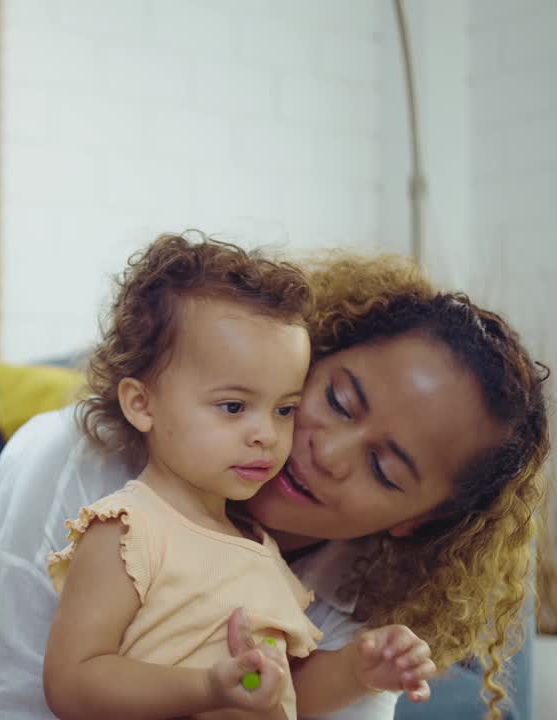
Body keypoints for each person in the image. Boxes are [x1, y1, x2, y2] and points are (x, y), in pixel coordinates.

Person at [0, 239, 550, 720]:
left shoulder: (359, 605)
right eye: (335, 400)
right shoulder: (95, 461)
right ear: (311, 361)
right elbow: (20, 692)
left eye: (384, 468)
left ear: (414, 521)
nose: (328, 451)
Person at [41, 235, 431, 720]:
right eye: (233, 406)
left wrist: (358, 670)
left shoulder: (259, 552)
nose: (266, 435)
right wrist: (207, 688)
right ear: (142, 404)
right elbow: (72, 681)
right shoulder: (128, 529)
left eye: (285, 408)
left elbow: (286, 696)